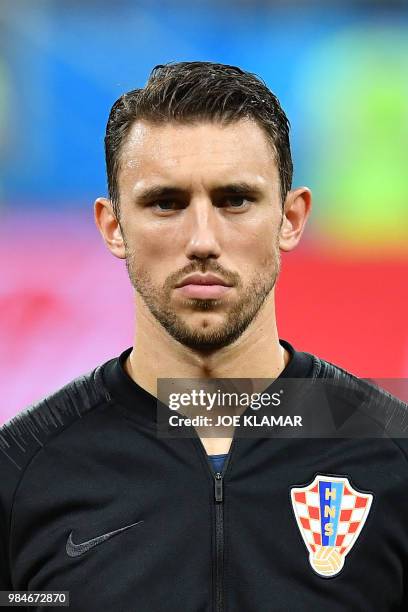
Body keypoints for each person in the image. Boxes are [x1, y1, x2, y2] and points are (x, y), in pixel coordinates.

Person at [0, 61, 407, 612]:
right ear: (112, 226)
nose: (202, 240)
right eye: (165, 203)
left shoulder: (391, 452)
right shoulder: (21, 470)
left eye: (234, 199)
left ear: (291, 217)